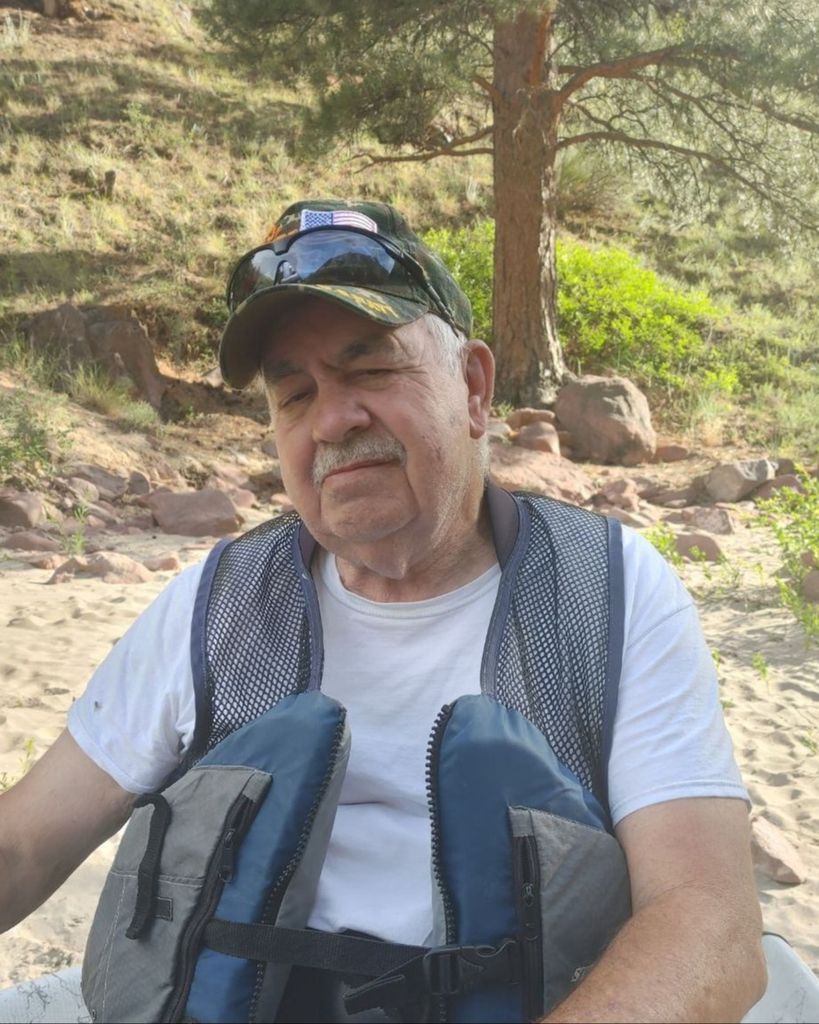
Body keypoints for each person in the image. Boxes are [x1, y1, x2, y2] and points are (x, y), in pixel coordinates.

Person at [0, 200, 765, 1022]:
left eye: (370, 371)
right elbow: (24, 845)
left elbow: (709, 923)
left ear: (473, 389)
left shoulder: (607, 591)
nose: (333, 419)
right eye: (295, 394)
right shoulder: (214, 605)